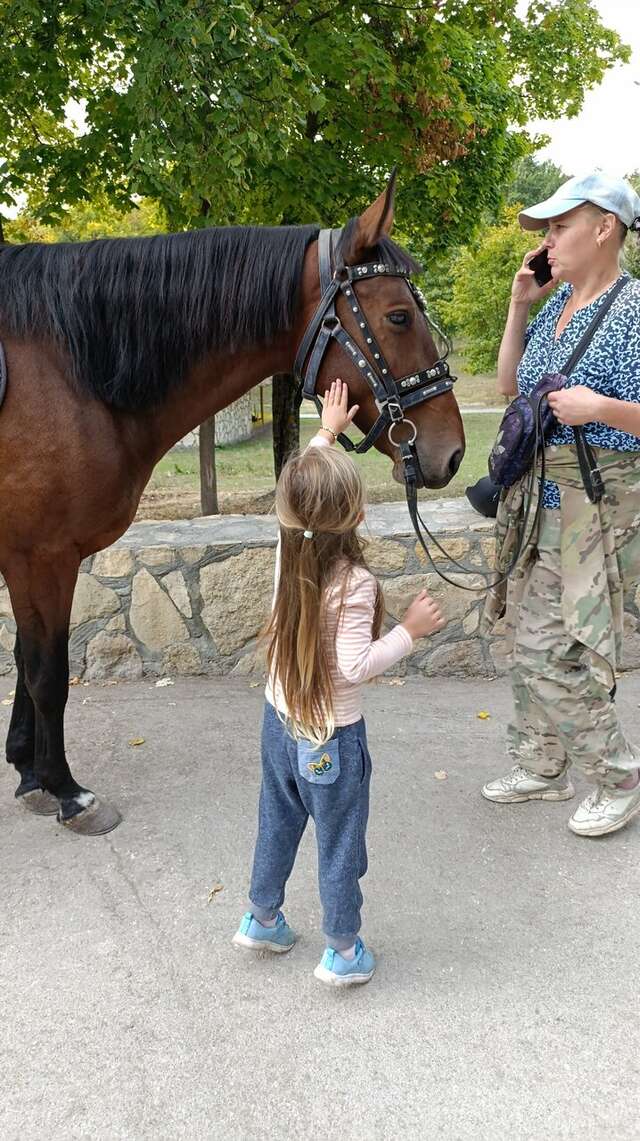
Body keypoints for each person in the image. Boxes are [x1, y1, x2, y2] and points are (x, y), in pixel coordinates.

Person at [232, 379, 445, 986]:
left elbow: (299, 499)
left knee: (277, 822)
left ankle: (261, 917)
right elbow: (353, 667)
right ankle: (343, 951)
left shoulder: (287, 550)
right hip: (330, 739)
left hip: (279, 724)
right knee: (340, 842)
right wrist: (409, 630)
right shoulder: (355, 584)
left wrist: (325, 433)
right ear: (356, 512)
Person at [482, 171, 640, 837]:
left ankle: (616, 775)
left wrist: (599, 407)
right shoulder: (556, 307)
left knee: (556, 647)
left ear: (604, 227)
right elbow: (507, 385)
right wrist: (520, 305)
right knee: (530, 634)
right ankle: (544, 763)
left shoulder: (634, 310)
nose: (547, 242)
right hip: (540, 500)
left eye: (558, 227)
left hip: (598, 506)